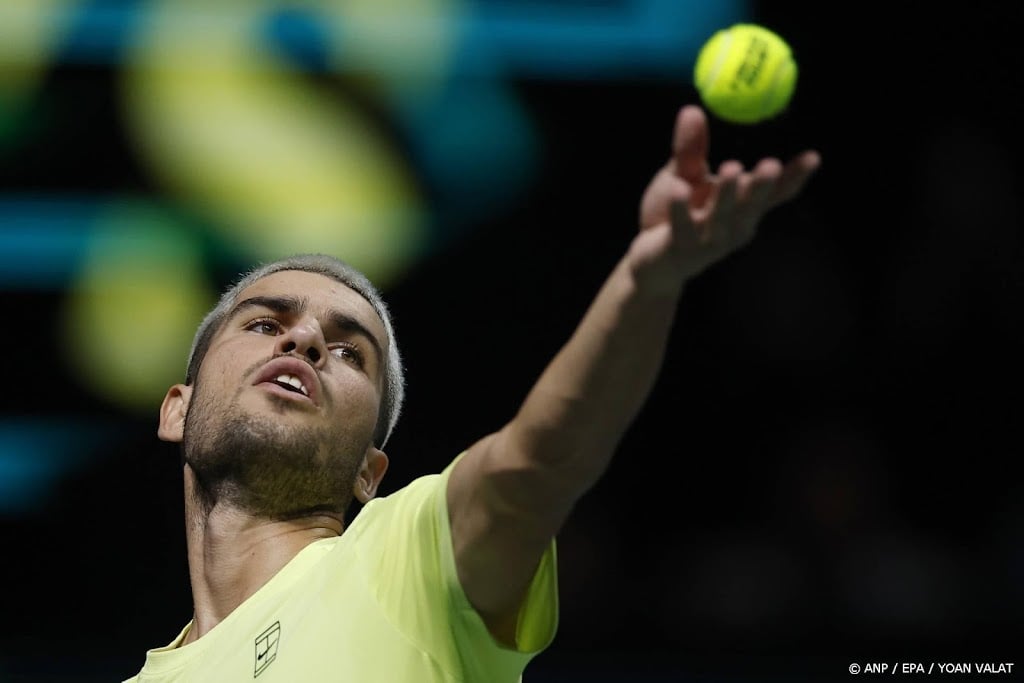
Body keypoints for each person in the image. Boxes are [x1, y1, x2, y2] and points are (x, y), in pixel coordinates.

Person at [123, 104, 820, 682]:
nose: (304, 341)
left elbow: (539, 462)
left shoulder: (407, 558)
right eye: (266, 321)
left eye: (347, 351)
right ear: (176, 408)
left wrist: (648, 282)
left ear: (371, 472)